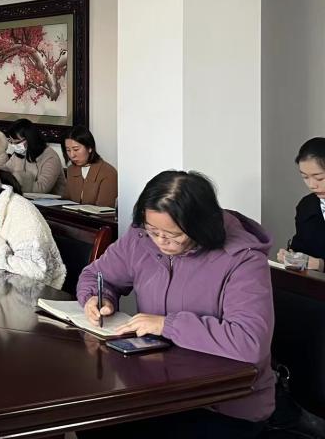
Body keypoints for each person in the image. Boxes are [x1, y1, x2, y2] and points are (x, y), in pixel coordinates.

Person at [77, 171, 274, 437]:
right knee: (91, 423)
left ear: (200, 226)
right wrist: (97, 297)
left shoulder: (243, 259)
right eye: (153, 231)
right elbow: (96, 275)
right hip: (156, 389)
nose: (161, 241)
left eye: (174, 234)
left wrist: (166, 325)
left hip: (222, 403)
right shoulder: (140, 238)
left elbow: (249, 342)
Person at [277, 137, 325, 271]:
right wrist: (292, 257)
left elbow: (316, 263)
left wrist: (320, 265)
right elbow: (301, 247)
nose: (312, 185)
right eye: (305, 177)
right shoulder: (306, 206)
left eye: (319, 178)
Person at [1, 118, 66, 196]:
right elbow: (5, 170)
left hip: (50, 201)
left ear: (30, 139)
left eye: (17, 142)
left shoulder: (50, 156)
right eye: (11, 142)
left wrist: (17, 182)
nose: (14, 145)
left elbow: (42, 188)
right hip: (24, 198)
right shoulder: (19, 153)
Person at [63, 125, 117, 207]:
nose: (72, 155)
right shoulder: (71, 169)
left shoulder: (108, 172)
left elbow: (104, 210)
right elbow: (66, 201)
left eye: (76, 149)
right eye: (68, 150)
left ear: (89, 148)